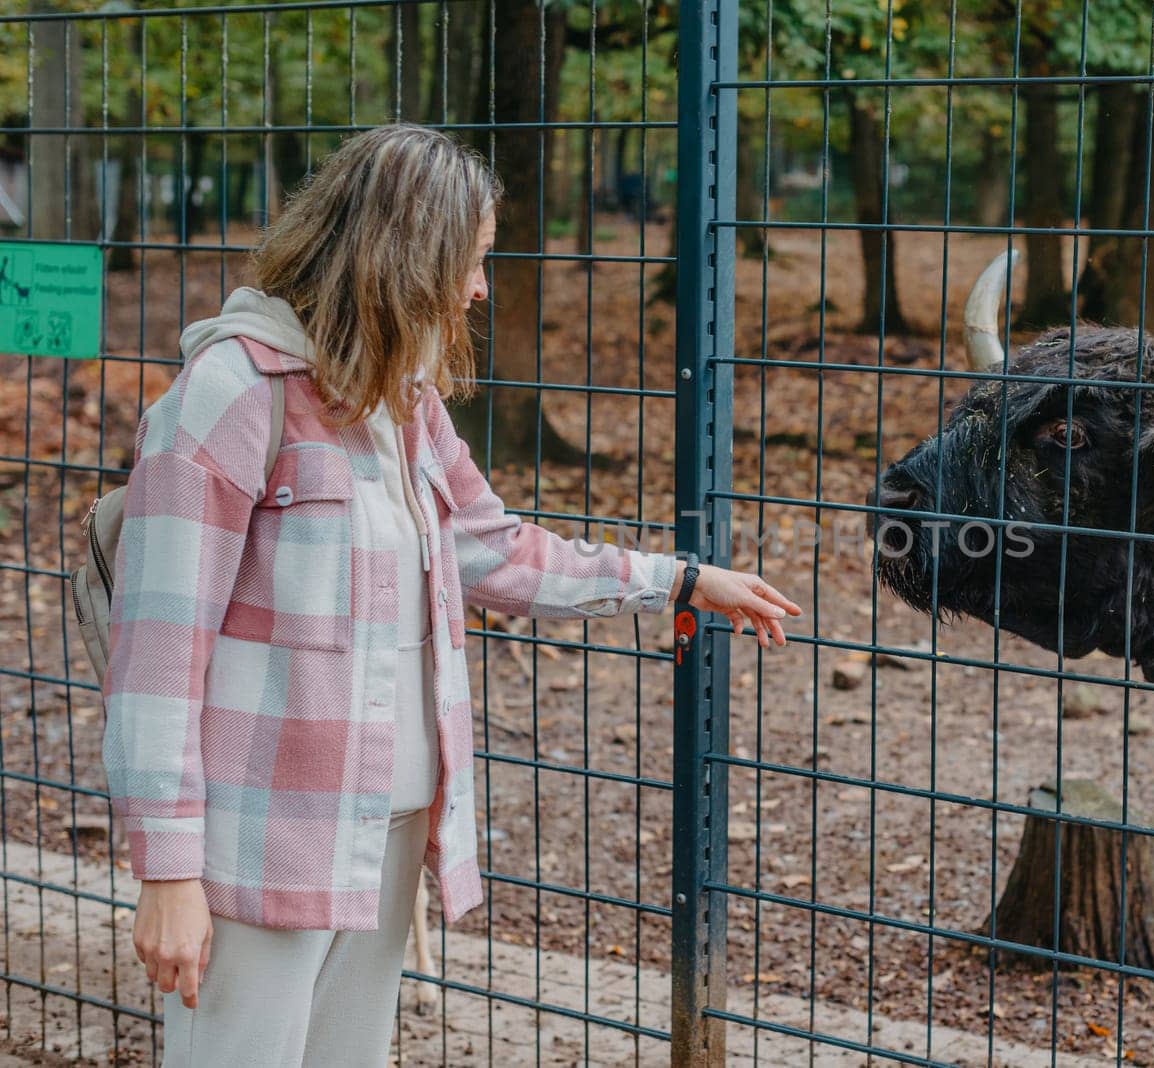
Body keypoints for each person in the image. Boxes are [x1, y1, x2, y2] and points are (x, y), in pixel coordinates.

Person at [99, 123, 800, 1067]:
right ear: (402, 256)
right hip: (259, 844)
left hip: (386, 830)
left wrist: (676, 579)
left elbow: (496, 548)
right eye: (470, 261)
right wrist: (168, 872)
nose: (480, 288)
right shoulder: (228, 395)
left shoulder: (401, 400)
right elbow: (156, 660)